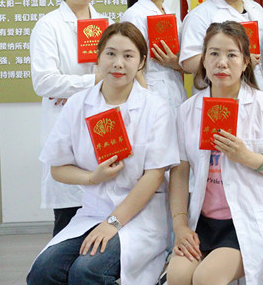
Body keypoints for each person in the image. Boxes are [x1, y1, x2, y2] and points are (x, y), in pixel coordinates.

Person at [27, 23, 179, 285]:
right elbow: (58, 168)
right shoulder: (78, 104)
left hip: (141, 217)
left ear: (142, 62)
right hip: (93, 213)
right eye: (110, 54)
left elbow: (154, 176)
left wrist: (113, 223)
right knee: (43, 272)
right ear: (97, 57)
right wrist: (92, 177)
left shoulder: (156, 108)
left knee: (86, 271)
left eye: (128, 56)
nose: (118, 63)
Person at [168, 21, 263, 285]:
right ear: (203, 60)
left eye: (231, 55)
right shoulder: (188, 110)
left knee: (206, 278)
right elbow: (180, 172)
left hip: (248, 221)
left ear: (246, 61)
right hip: (203, 222)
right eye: (214, 54)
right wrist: (180, 226)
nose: (222, 63)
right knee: (177, 277)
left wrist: (248, 157)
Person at [30, 0, 111, 235]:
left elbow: (118, 77)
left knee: (105, 217)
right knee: (69, 221)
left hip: (104, 126)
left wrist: (73, 86)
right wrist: (93, 81)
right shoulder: (48, 25)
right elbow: (44, 82)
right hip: (67, 126)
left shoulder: (108, 26)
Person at [121, 0, 186, 107]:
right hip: (149, 98)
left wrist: (175, 63)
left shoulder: (169, 13)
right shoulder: (134, 15)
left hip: (176, 94)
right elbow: (132, 65)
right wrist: (148, 103)